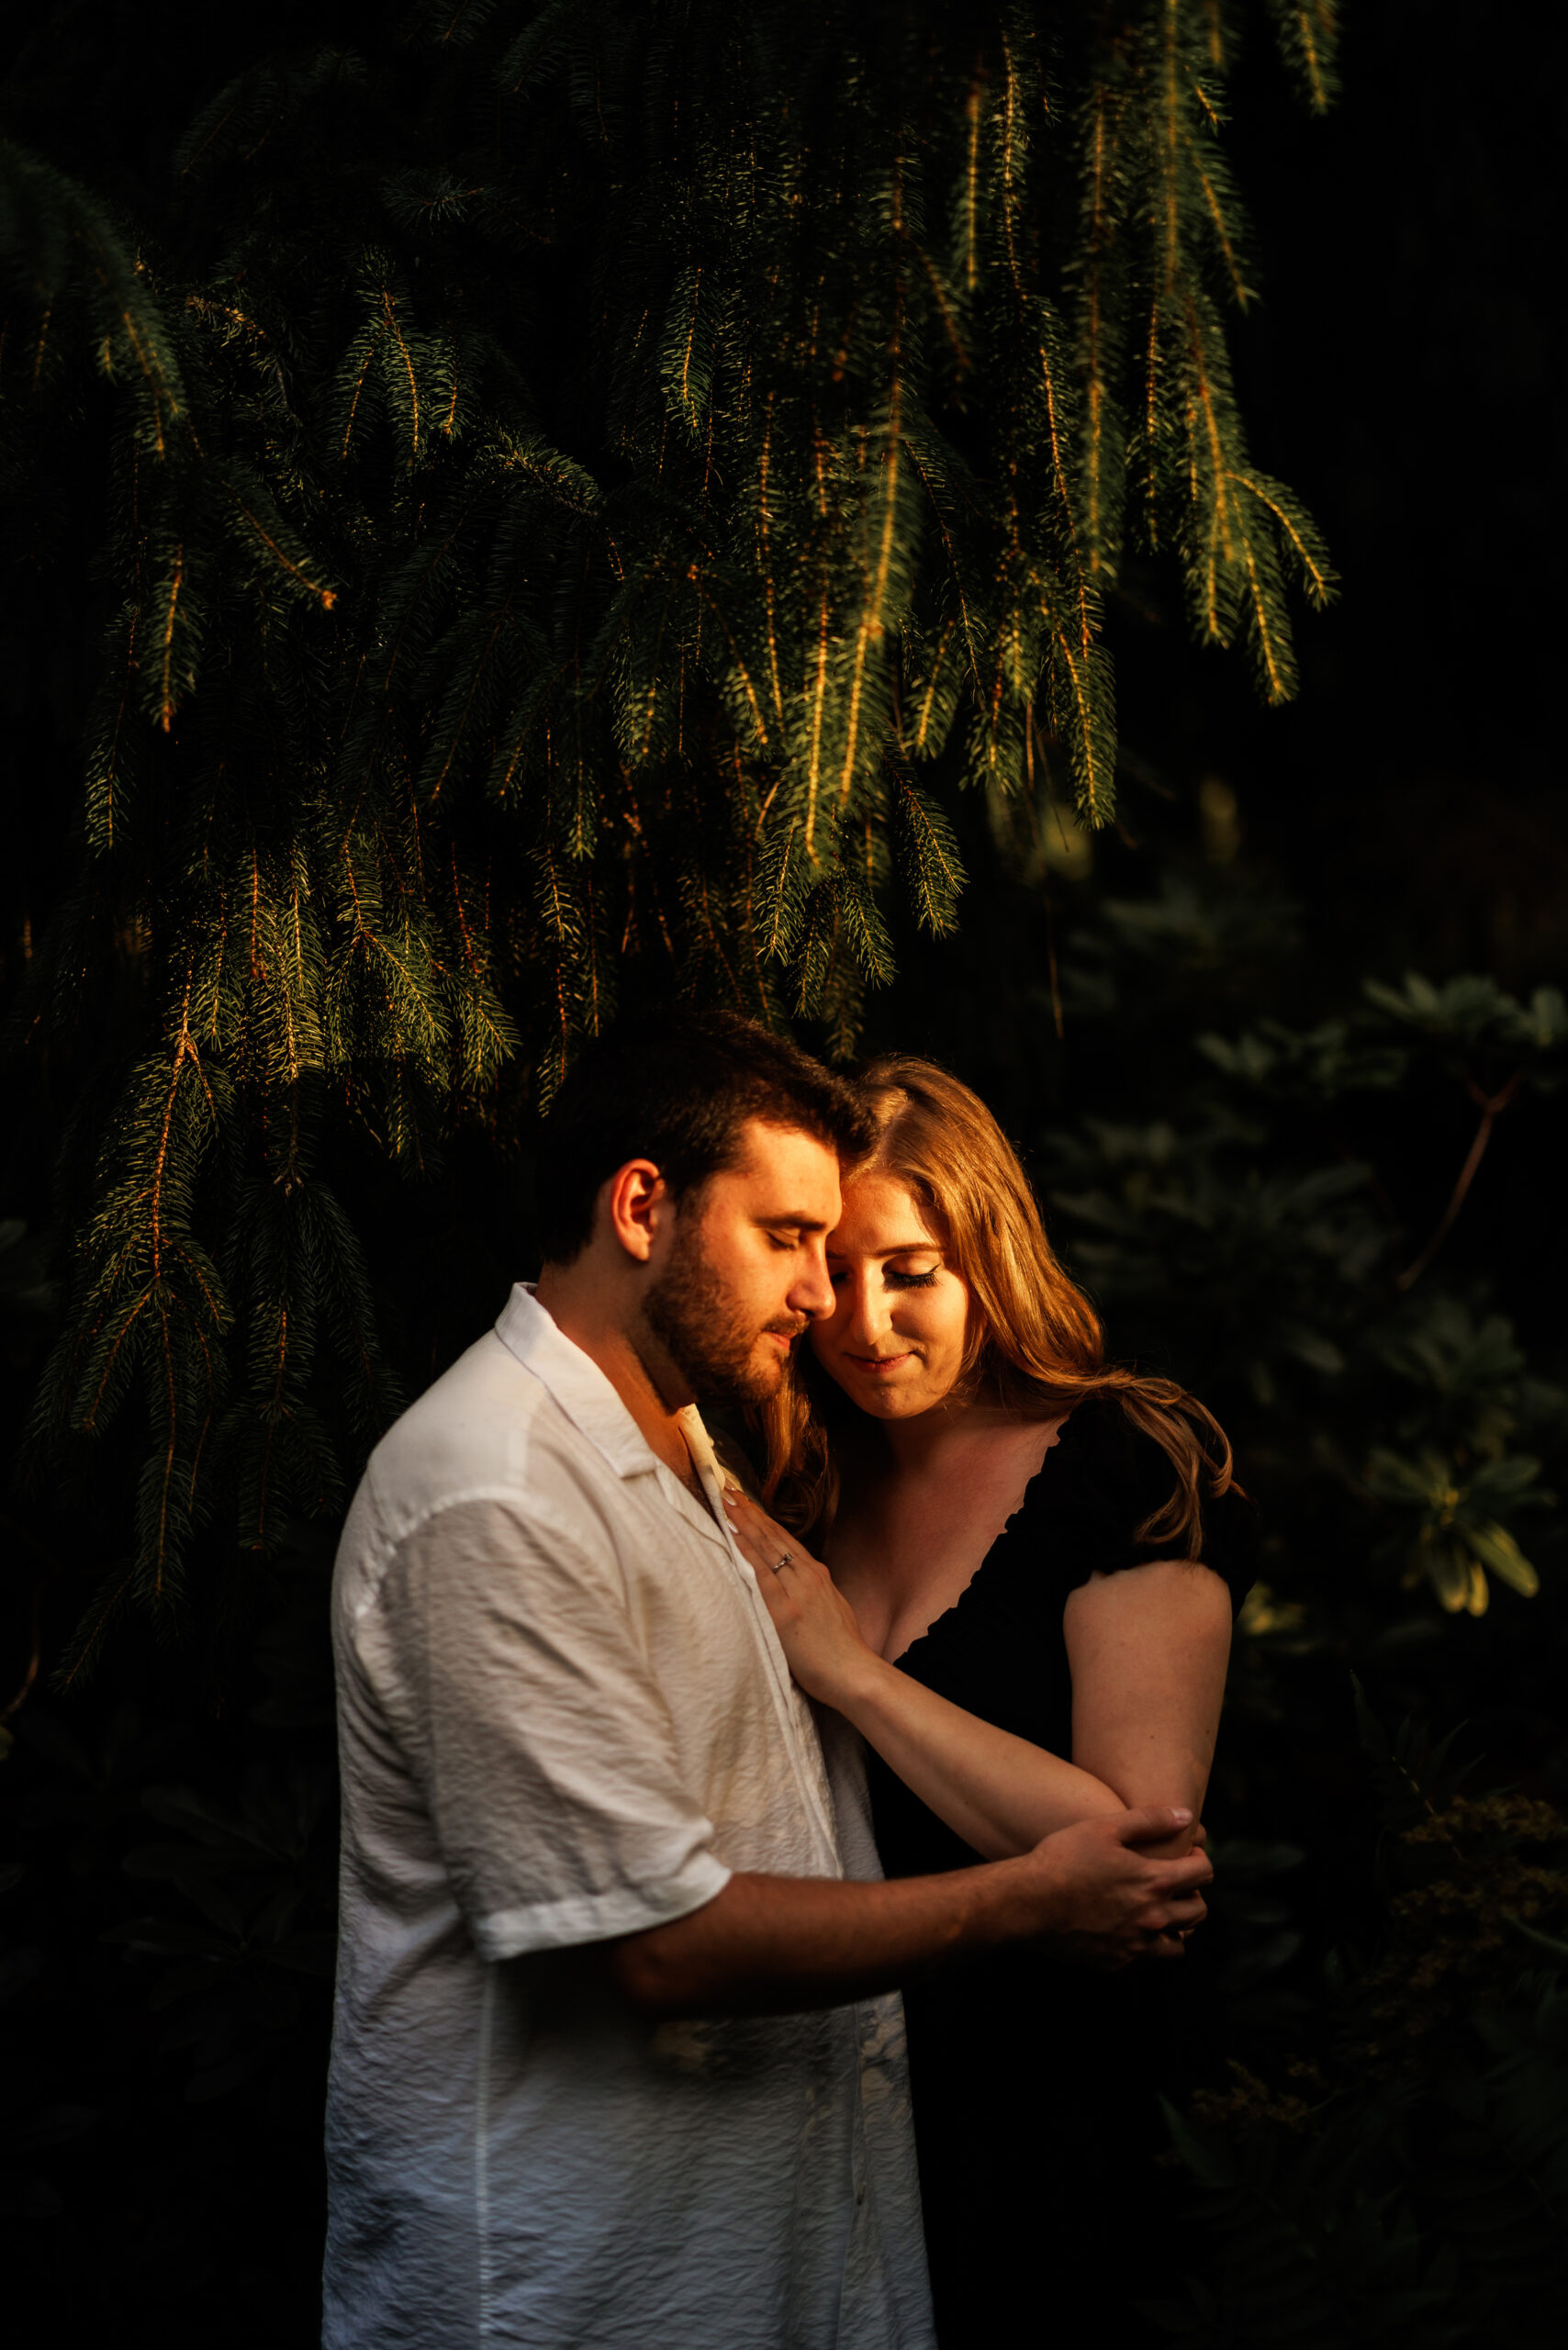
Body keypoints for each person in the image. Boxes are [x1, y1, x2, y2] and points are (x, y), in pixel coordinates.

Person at [322, 1013, 1215, 2349]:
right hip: (571, 2293)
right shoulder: (504, 1490)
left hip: (844, 2226)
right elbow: (656, 1943)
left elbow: (1128, 1846)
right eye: (796, 1244)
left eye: (880, 1261)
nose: (828, 1305)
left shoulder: (706, 1467)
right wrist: (1024, 1897)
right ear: (641, 1208)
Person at [721, 1056, 1258, 2349]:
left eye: (911, 1270)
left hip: (1072, 2111)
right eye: (834, 1273)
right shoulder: (808, 1486)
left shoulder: (1119, 1463)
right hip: (864, 2102)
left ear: (988, 1255)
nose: (865, 1321)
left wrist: (848, 1670)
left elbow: (1140, 1854)